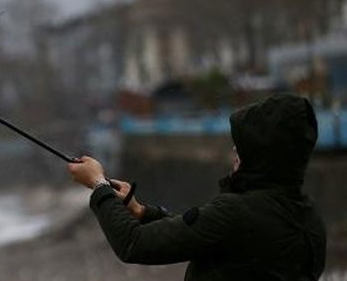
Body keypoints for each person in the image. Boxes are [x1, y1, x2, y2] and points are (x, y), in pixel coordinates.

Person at [68, 93, 327, 280]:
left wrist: (98, 184)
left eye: (244, 145)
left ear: (264, 153)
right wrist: (143, 212)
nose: (235, 150)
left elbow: (134, 244)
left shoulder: (235, 213)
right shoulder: (309, 220)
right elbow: (210, 236)